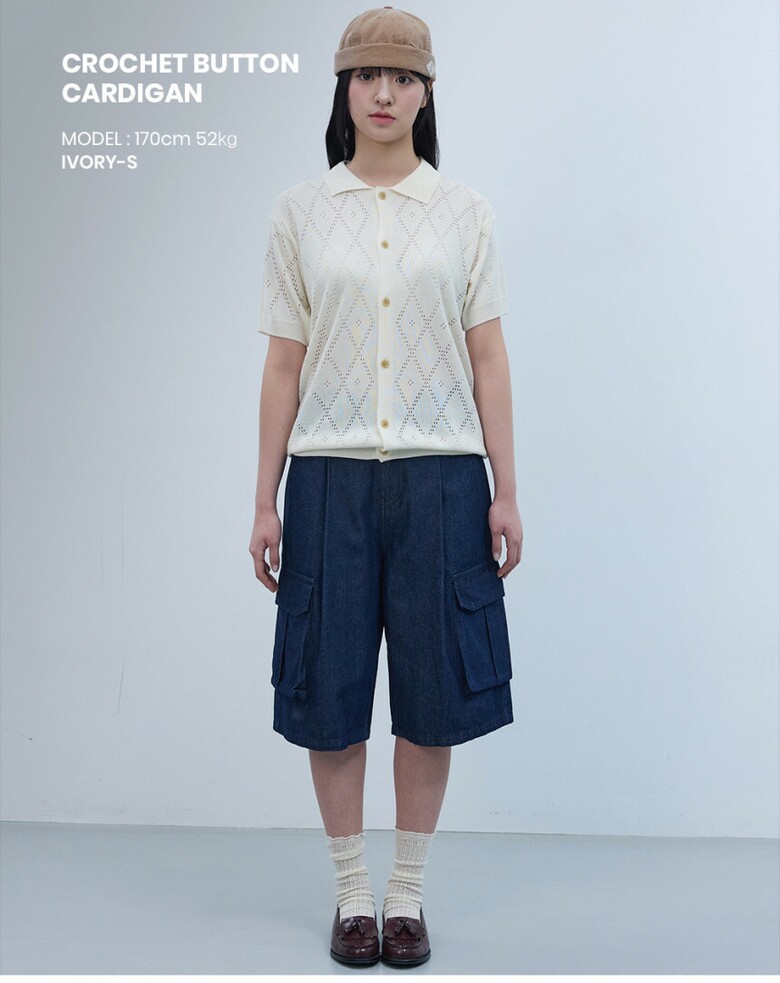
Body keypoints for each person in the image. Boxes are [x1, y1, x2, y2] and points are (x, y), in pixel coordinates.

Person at [249, 5, 523, 968]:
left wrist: (505, 488)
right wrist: (264, 499)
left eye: (403, 78)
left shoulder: (465, 212)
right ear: (344, 88)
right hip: (327, 480)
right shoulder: (299, 211)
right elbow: (283, 365)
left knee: (433, 695)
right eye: (367, 75)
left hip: (443, 480)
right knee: (328, 693)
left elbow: (488, 358)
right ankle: (351, 895)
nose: (384, 93)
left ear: (426, 94)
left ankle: (405, 892)